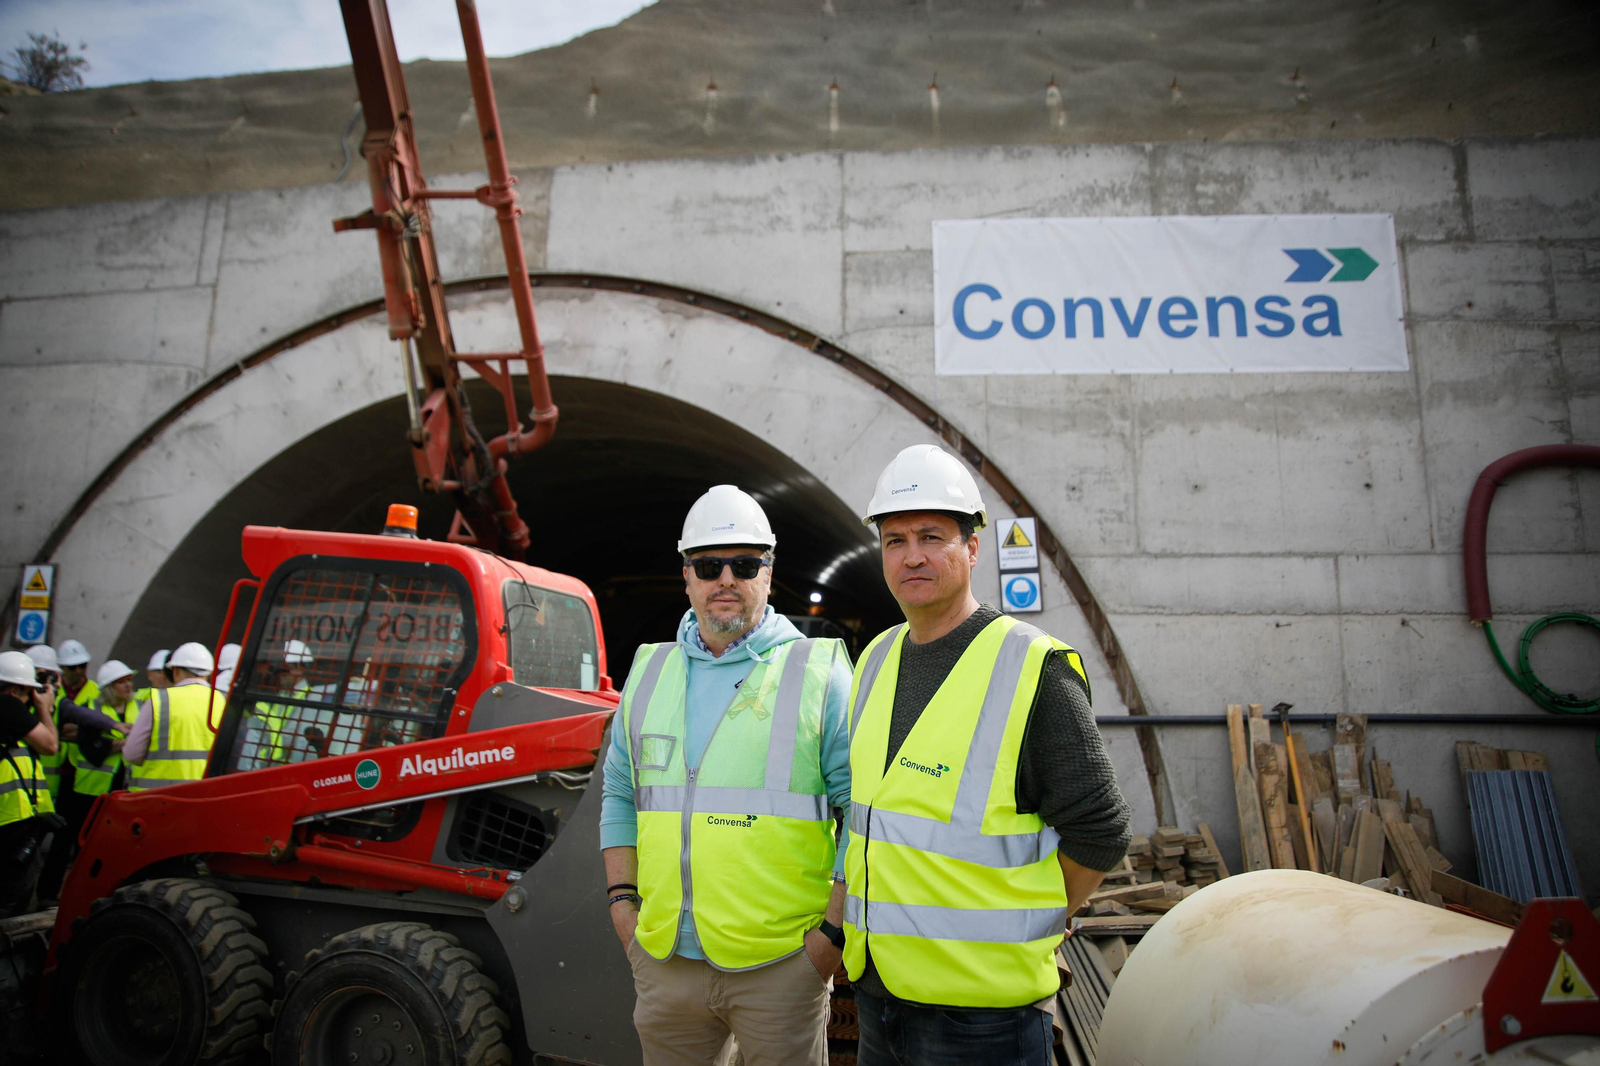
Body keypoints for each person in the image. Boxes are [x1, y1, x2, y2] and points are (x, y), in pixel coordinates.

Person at [843, 445, 1132, 1066]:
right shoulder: (874, 661)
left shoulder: (1032, 666)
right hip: (879, 993)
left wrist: (1032, 922)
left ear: (973, 548)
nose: (912, 555)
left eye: (932, 536)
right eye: (894, 540)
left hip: (982, 1018)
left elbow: (1101, 830)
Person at [600, 485, 854, 1066]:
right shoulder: (648, 671)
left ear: (768, 572)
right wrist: (622, 905)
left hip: (781, 967)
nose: (726, 579)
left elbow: (860, 814)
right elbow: (620, 793)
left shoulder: (817, 672)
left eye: (744, 564)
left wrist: (830, 939)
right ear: (686, 575)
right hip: (665, 962)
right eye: (709, 565)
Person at [35, 660, 139, 903]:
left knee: (101, 850)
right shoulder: (91, 709)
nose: (127, 686)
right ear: (108, 688)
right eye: (121, 682)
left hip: (120, 792)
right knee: (65, 846)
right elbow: (91, 749)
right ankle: (48, 896)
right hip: (85, 791)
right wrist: (122, 744)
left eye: (128, 680)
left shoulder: (140, 707)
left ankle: (88, 898)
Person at [0, 649, 60, 917]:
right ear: (15, 690)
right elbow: (50, 745)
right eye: (28, 692)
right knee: (12, 902)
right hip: (12, 822)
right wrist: (44, 708)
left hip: (11, 819)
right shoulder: (8, 706)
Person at [122, 642, 217, 790]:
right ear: (209, 672)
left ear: (175, 670)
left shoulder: (159, 700)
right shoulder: (222, 701)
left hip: (155, 796)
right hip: (203, 794)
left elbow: (132, 754)